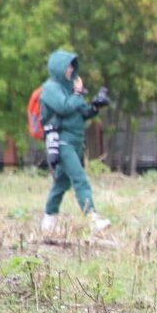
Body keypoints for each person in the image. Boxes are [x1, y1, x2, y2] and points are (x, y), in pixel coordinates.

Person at [39, 50, 110, 234]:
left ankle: (48, 220)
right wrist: (78, 94)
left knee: (61, 183)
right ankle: (92, 218)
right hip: (62, 142)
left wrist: (95, 106)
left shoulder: (71, 88)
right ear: (58, 67)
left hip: (76, 142)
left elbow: (81, 111)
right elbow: (63, 107)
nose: (71, 70)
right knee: (80, 179)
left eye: (72, 66)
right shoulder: (50, 89)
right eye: (67, 66)